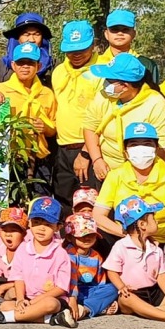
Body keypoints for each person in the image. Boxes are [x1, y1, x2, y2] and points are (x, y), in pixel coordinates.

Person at [0, 196, 76, 327]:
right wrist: (21, 299)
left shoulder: (61, 254)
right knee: (5, 306)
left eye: (48, 224)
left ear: (58, 227)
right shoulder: (23, 249)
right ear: (30, 224)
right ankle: (51, 319)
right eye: (36, 222)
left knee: (50, 304)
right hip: (27, 298)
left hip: (51, 299)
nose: (41, 228)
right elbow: (19, 278)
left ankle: (2, 317)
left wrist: (33, 303)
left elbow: (61, 288)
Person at [93, 121, 165, 242]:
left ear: (156, 149)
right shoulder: (114, 177)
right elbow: (98, 215)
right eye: (134, 144)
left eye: (147, 144)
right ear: (125, 151)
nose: (140, 149)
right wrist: (133, 236)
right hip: (126, 240)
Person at [103, 196, 165, 325]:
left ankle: (149, 312)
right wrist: (121, 286)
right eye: (153, 218)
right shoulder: (121, 246)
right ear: (142, 224)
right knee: (125, 298)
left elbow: (161, 275)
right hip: (133, 293)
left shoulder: (155, 249)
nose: (156, 221)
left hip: (153, 292)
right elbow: (112, 271)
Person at [82, 52, 165, 178]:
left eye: (109, 80)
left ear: (125, 86)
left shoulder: (155, 103)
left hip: (141, 173)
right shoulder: (103, 96)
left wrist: (141, 175)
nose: (104, 82)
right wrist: (97, 160)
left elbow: (163, 146)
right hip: (106, 170)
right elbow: (90, 127)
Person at [0, 41, 58, 199]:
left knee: (40, 202)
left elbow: (54, 128)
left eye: (30, 63)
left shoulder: (47, 94)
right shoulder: (1, 89)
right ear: (13, 65)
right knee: (10, 203)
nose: (25, 67)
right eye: (21, 63)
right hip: (11, 158)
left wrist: (45, 128)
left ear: (38, 66)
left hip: (39, 159)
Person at [50, 20, 103, 216]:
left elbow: (105, 116)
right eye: (71, 50)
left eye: (82, 49)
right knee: (64, 205)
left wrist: (86, 153)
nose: (77, 54)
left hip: (90, 148)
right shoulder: (59, 72)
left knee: (89, 205)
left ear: (94, 44)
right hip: (62, 148)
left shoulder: (103, 70)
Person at [64, 213, 118, 322]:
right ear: (70, 237)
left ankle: (86, 309)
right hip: (71, 291)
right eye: (82, 235)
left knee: (113, 288)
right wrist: (73, 296)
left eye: (91, 234)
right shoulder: (68, 254)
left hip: (89, 290)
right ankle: (95, 307)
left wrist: (103, 294)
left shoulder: (96, 256)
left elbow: (100, 282)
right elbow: (70, 280)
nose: (87, 238)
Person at [95, 10, 162, 89]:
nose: (120, 33)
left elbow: (152, 93)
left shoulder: (146, 64)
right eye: (114, 29)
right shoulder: (95, 64)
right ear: (106, 34)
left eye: (125, 29)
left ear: (134, 34)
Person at [0, 13, 52, 88]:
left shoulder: (52, 65)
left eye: (36, 34)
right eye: (26, 34)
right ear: (18, 37)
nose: (31, 40)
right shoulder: (1, 66)